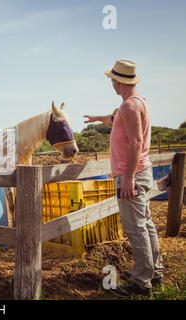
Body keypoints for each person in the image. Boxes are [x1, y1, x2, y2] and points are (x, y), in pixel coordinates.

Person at [83, 59, 164, 298]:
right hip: (141, 172)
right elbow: (115, 117)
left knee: (135, 228)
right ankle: (154, 272)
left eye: (112, 79)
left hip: (132, 175)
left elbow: (136, 142)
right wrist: (98, 118)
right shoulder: (137, 104)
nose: (111, 83)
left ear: (119, 81)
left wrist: (128, 178)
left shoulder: (129, 107)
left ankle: (142, 283)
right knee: (146, 224)